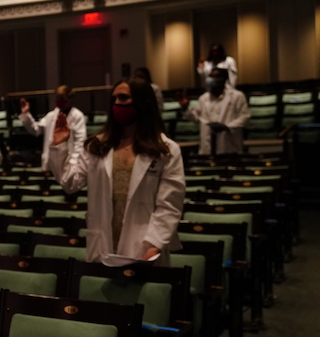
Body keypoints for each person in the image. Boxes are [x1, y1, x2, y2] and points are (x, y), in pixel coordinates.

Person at [48, 78, 185, 264]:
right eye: (114, 99)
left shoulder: (167, 150)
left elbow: (169, 206)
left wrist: (155, 243)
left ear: (142, 102)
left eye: (124, 98)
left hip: (145, 247)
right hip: (102, 245)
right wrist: (59, 146)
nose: (117, 104)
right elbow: (70, 183)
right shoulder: (97, 146)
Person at [182, 68, 250, 156]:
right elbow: (197, 118)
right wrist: (184, 107)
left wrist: (227, 127)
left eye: (215, 76)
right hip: (207, 148)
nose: (210, 79)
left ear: (223, 79)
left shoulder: (237, 96)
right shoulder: (203, 98)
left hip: (229, 146)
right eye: (210, 76)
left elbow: (244, 117)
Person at [19, 86, 87, 172]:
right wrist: (26, 113)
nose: (59, 101)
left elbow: (80, 141)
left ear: (70, 99)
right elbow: (36, 129)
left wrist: (75, 160)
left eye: (62, 99)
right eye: (57, 98)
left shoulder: (77, 116)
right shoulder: (51, 116)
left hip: (70, 160)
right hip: (50, 160)